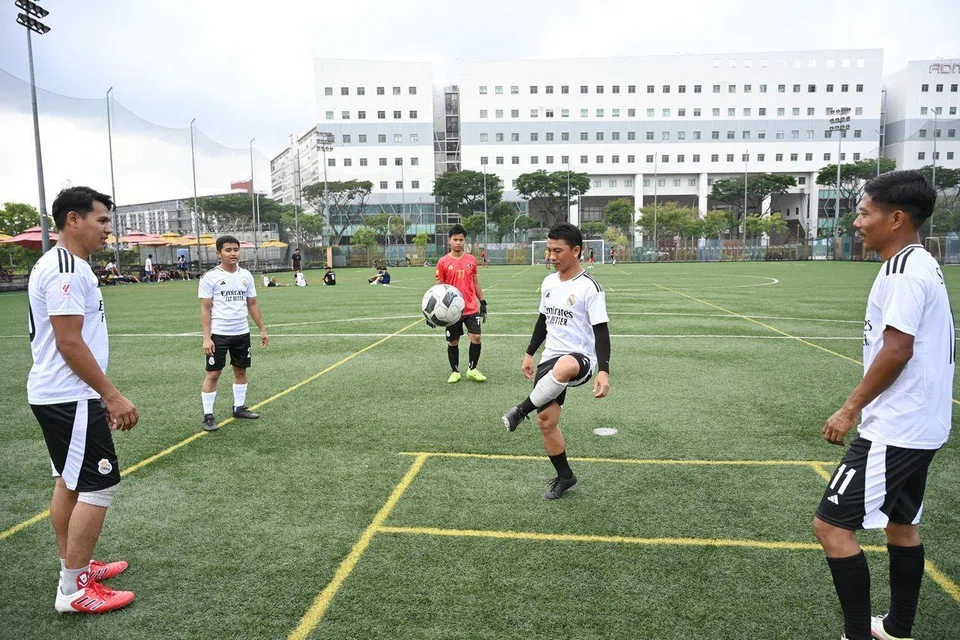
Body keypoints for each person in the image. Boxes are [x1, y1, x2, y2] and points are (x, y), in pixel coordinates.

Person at [813, 171, 954, 640]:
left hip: (896, 427)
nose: (857, 221)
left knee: (831, 527)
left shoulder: (903, 271)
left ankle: (857, 635)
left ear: (895, 219)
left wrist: (850, 408)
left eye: (864, 212)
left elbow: (897, 349)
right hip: (924, 425)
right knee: (901, 525)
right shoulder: (920, 262)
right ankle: (897, 626)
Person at [28, 186, 139, 614]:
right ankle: (72, 590)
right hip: (67, 395)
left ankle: (74, 568)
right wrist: (110, 395)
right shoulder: (66, 270)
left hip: (64, 395)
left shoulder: (68, 266)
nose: (108, 230)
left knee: (70, 482)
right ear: (73, 220)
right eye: (102, 221)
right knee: (99, 482)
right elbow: (69, 343)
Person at [502, 223, 610, 500]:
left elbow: (601, 330)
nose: (551, 255)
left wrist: (604, 371)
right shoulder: (549, 283)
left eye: (557, 250)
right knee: (546, 422)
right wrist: (529, 352)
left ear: (576, 251)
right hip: (550, 358)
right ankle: (565, 476)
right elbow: (543, 320)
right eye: (549, 250)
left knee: (566, 365)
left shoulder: (590, 287)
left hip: (579, 359)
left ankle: (519, 411)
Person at [198, 235, 269, 432]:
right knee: (213, 373)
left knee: (241, 370)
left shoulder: (246, 276)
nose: (233, 253)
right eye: (228, 250)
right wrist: (206, 337)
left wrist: (262, 329)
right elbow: (205, 309)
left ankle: (238, 408)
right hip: (219, 334)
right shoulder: (210, 277)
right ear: (218, 253)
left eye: (236, 249)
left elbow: (252, 304)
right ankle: (208, 415)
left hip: (242, 333)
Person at [432, 224, 488, 383]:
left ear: (465, 241)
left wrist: (482, 301)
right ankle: (455, 371)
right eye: (455, 239)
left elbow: (475, 282)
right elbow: (438, 288)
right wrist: (435, 313)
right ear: (449, 240)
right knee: (453, 341)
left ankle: (472, 369)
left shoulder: (471, 260)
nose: (458, 242)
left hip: (471, 307)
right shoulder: (442, 262)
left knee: (476, 337)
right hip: (452, 311)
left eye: (461, 239)